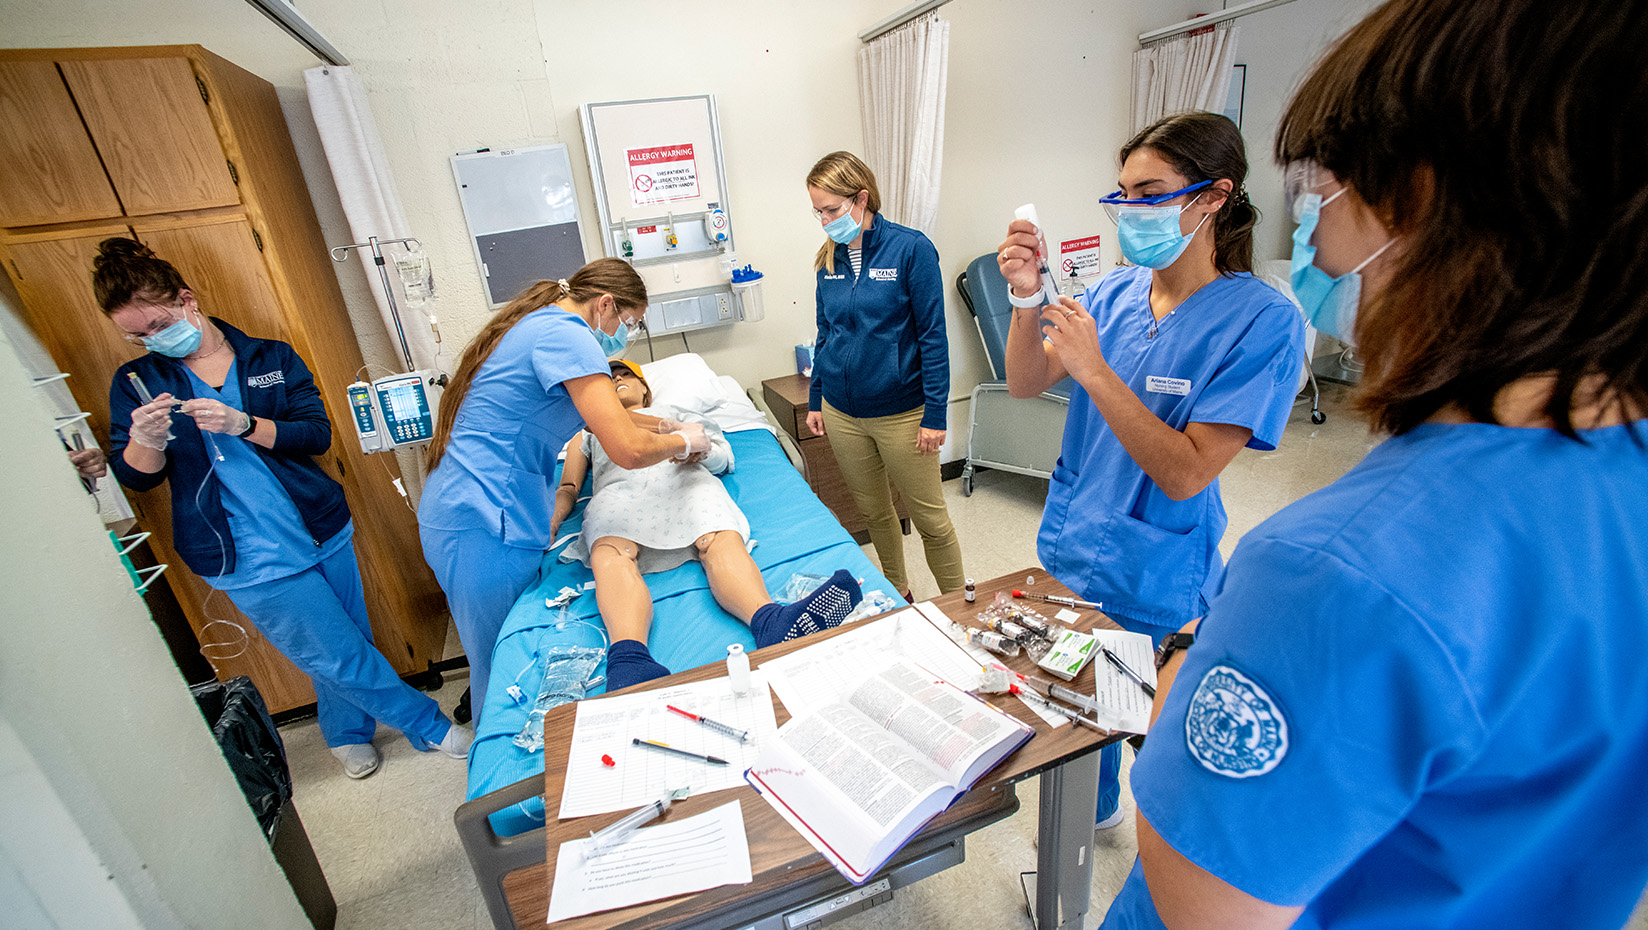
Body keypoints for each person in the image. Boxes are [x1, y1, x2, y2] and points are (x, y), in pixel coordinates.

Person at [1100, 1, 1648, 928]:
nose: (1319, 229)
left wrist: (1189, 660)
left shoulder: (1333, 573)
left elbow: (1204, 906)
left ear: (1428, 196)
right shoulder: (1617, 479)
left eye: (1337, 186)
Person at [997, 112, 1304, 828]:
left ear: (1213, 197)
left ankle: (1163, 832)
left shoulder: (1263, 322)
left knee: (1150, 726)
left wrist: (1096, 370)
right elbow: (1024, 381)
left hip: (1156, 567)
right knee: (1080, 696)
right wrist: (1025, 295)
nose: (1129, 209)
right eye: (1123, 191)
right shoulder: (1112, 292)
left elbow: (1189, 473)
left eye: (1150, 191)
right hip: (1074, 545)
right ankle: (1092, 811)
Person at [98, 238, 468, 780]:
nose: (152, 340)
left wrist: (242, 424)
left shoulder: (269, 357)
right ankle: (430, 727)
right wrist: (145, 438)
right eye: (137, 335)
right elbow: (135, 476)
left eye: (158, 324)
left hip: (319, 528)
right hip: (243, 555)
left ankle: (345, 734)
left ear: (186, 299)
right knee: (337, 654)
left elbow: (315, 434)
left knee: (344, 642)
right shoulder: (138, 383)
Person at [418, 260, 710, 721]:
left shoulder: (544, 326)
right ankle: (509, 772)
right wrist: (682, 442)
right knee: (500, 664)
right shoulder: (567, 335)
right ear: (605, 304)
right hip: (478, 519)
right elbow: (628, 449)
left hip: (483, 508)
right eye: (628, 323)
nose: (623, 336)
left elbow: (609, 415)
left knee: (507, 647)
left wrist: (667, 424)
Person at [552, 360, 863, 691]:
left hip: (685, 481)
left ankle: (771, 621)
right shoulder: (590, 428)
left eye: (626, 375)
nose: (617, 382)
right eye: (610, 379)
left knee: (717, 537)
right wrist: (555, 518)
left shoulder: (678, 413)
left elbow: (723, 458)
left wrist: (699, 455)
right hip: (620, 491)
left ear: (646, 387)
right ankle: (630, 660)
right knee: (610, 552)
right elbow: (569, 487)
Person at [804, 151, 965, 600]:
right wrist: (817, 399)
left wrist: (936, 414)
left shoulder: (911, 249)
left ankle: (956, 601)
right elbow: (825, 333)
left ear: (861, 198)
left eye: (832, 210)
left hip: (903, 414)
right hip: (842, 411)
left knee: (930, 518)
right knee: (875, 514)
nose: (824, 221)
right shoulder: (828, 259)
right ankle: (899, 594)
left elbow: (934, 337)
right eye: (818, 211)